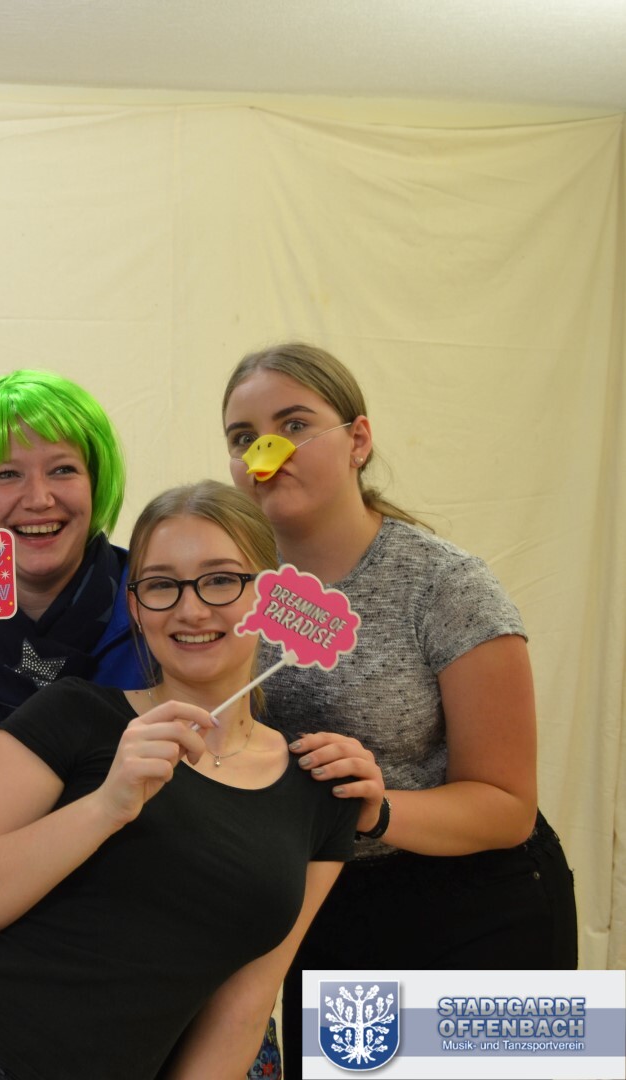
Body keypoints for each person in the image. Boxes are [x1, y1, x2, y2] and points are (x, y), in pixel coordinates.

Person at [0, 481, 357, 1080]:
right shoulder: (75, 713)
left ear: (271, 596)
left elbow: (243, 1012)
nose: (192, 609)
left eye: (221, 580)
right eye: (162, 585)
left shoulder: (319, 791)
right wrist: (105, 806)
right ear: (136, 607)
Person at [220, 341, 577, 1066]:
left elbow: (508, 806)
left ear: (358, 440)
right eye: (242, 437)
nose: (265, 453)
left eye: (294, 425)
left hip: (476, 907)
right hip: (327, 910)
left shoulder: (448, 588)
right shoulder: (226, 586)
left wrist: (376, 809)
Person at [0, 370, 139, 862]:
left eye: (63, 470)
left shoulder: (155, 610)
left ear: (96, 482)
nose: (38, 499)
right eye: (7, 475)